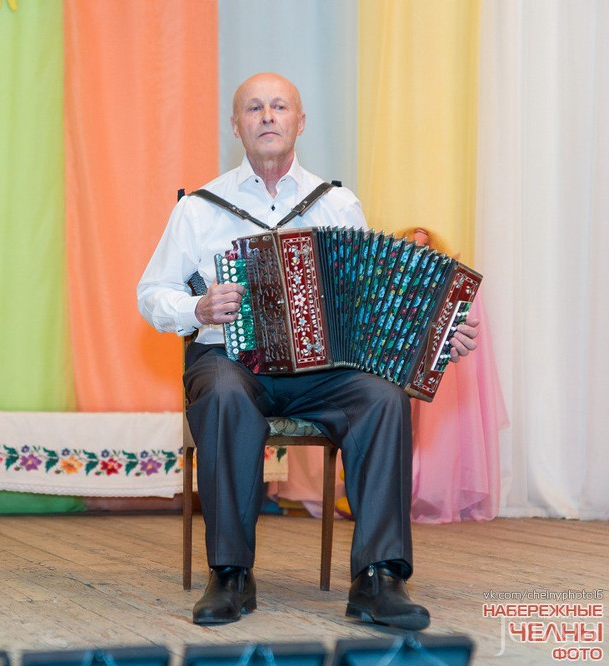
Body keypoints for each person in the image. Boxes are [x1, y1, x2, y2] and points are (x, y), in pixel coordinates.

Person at [137, 73, 479, 629]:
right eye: (254, 108)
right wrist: (197, 308)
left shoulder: (337, 204)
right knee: (221, 395)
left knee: (383, 397)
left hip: (323, 371)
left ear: (300, 122)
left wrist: (435, 338)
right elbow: (152, 293)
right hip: (231, 362)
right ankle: (231, 574)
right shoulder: (198, 208)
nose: (267, 116)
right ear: (236, 125)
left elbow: (374, 304)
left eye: (279, 106)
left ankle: (378, 578)